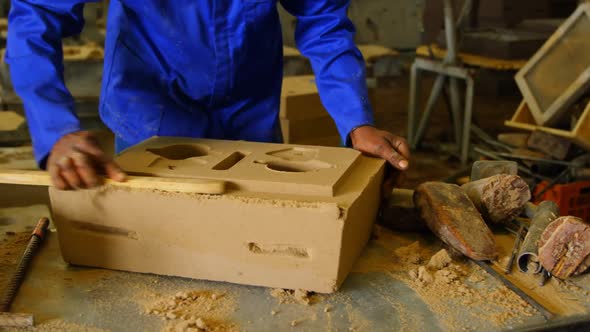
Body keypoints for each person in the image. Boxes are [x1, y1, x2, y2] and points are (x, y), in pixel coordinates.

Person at [7, 0, 410, 190]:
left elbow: (323, 20)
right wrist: (56, 129)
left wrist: (356, 121)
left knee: (262, 238)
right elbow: (38, 17)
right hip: (151, 109)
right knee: (158, 248)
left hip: (249, 108)